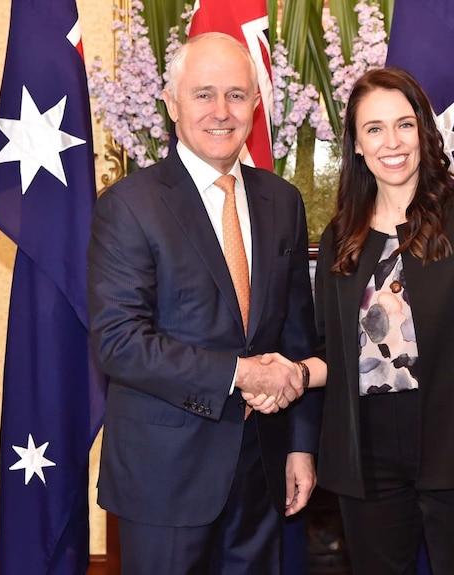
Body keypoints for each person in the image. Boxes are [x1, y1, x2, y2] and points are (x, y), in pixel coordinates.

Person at [246, 67, 454, 574]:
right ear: (357, 145)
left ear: (424, 134)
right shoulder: (343, 235)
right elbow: (332, 352)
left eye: (404, 125)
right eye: (374, 129)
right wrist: (293, 373)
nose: (392, 142)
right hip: (368, 458)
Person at [87, 32, 320, 574]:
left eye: (237, 95)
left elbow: (297, 336)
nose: (221, 111)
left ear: (256, 106)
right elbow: (119, 343)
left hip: (264, 470)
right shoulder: (128, 205)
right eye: (203, 94)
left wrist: (300, 446)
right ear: (171, 103)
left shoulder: (281, 201)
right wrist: (238, 374)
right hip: (164, 476)